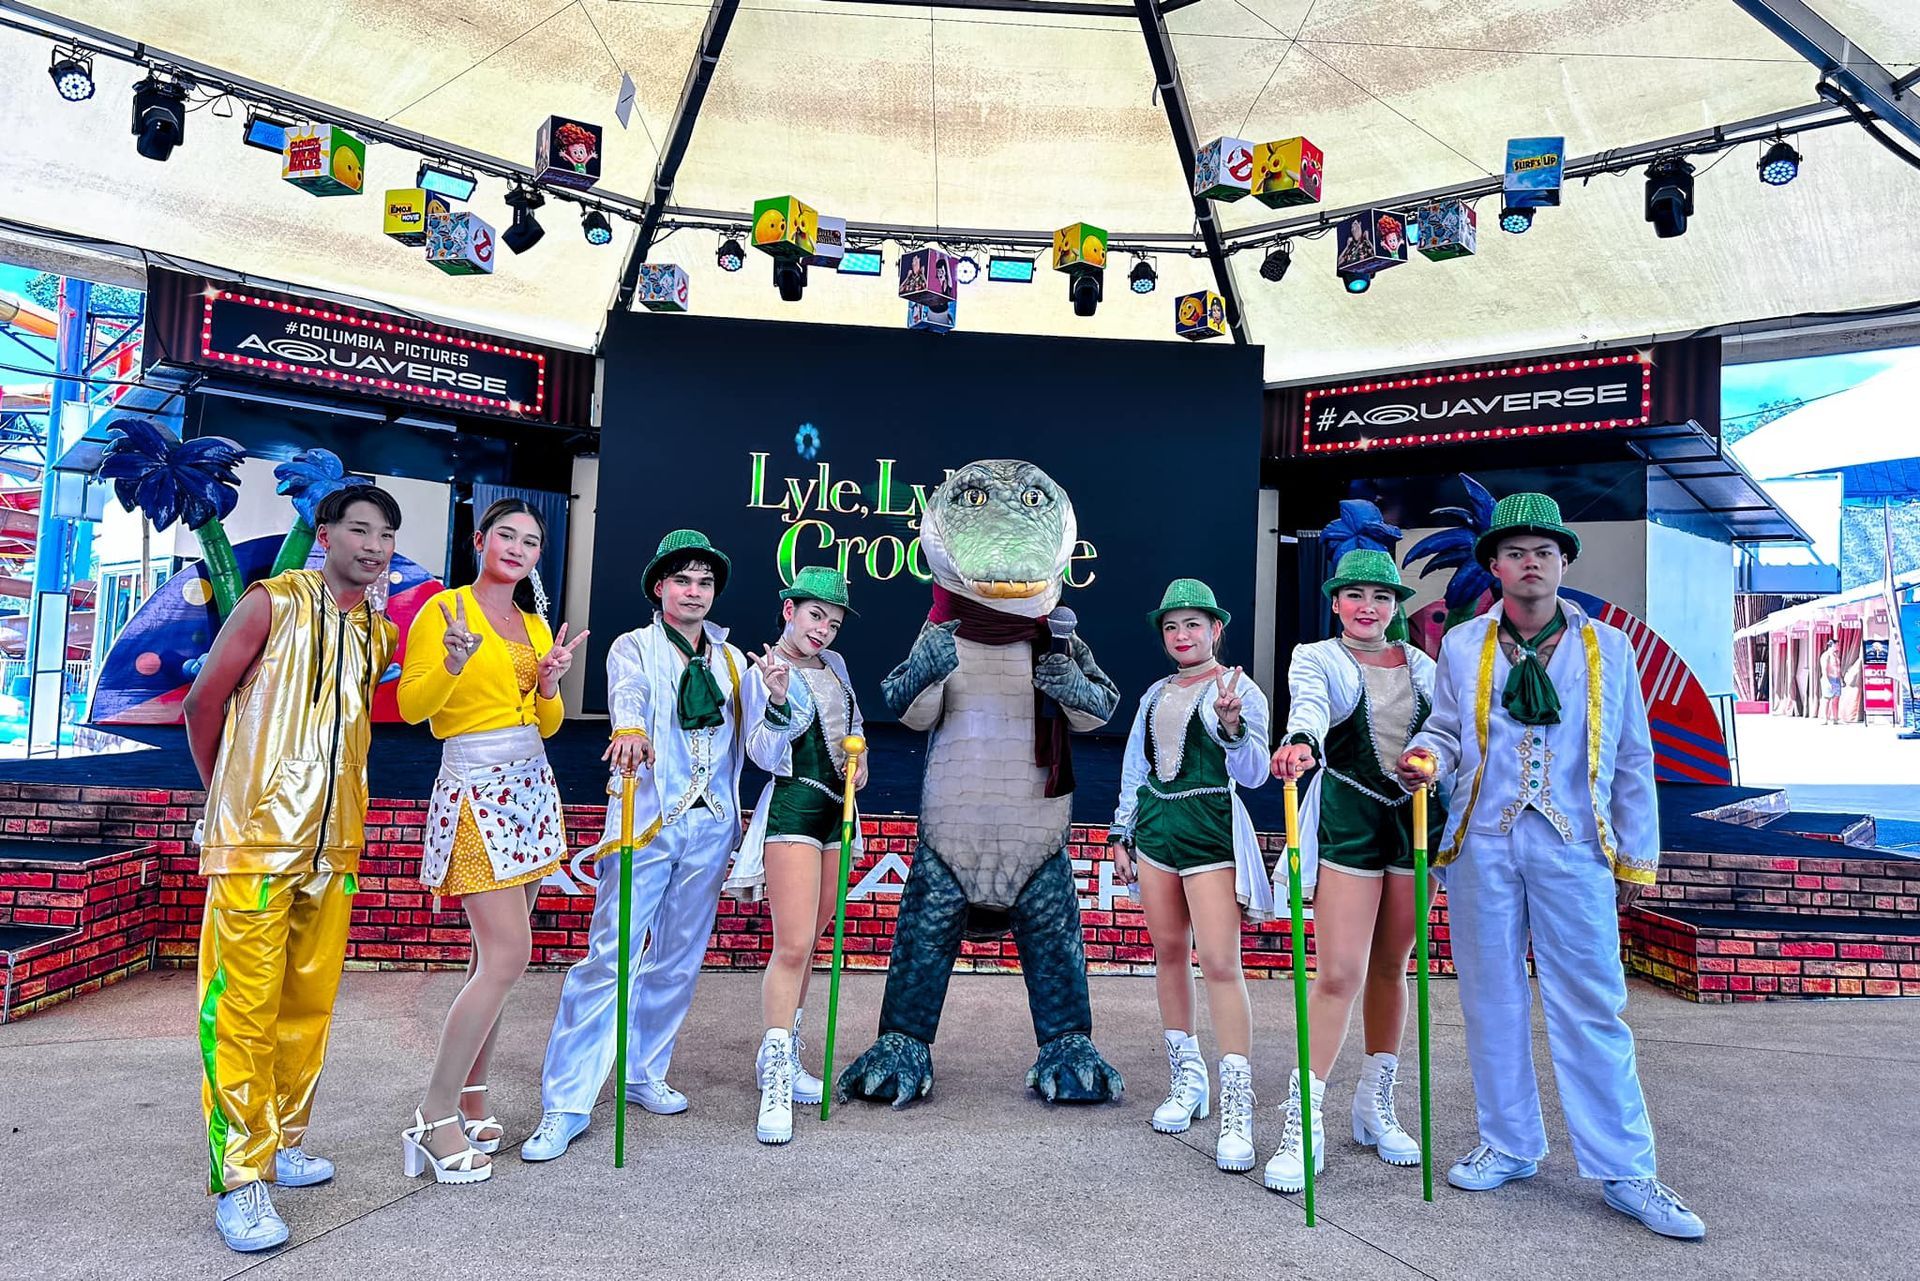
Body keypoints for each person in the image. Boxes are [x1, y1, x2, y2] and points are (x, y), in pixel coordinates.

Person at [1393, 492, 1705, 1241]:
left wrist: (1636, 858)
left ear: (1563, 561)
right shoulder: (1463, 644)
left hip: (1575, 846)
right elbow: (1445, 729)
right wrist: (1426, 756)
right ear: (1495, 566)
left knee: (1593, 1002)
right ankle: (1508, 1142)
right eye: (1515, 552)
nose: (1529, 563)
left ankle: (1625, 1167)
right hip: (1484, 843)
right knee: (1490, 998)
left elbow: (1633, 757)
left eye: (1543, 551)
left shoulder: (1609, 647)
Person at [182, 486, 402, 1252]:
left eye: (386, 535)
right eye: (360, 529)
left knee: (306, 1007)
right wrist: (230, 798)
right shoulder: (270, 603)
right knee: (242, 1010)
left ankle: (281, 1139)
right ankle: (240, 1176)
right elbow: (202, 703)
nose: (373, 546)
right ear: (326, 534)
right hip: (255, 848)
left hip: (333, 849)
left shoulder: (375, 630)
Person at [521, 530, 749, 1162]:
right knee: (610, 958)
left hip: (711, 825)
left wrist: (782, 702)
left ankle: (644, 1069)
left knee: (678, 958)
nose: (694, 592)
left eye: (705, 582)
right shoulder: (635, 646)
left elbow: (760, 737)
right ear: (660, 587)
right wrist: (627, 729)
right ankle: (566, 1102)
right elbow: (631, 693)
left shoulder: (733, 661)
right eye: (683, 580)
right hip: (646, 819)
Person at [396, 499, 588, 1184]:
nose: (517, 547)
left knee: (492, 958)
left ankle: (473, 1094)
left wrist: (549, 683)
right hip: (476, 788)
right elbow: (413, 708)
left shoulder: (534, 624)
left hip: (530, 787)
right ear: (480, 540)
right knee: (509, 955)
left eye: (530, 541)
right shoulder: (443, 610)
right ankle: (432, 1114)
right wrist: (452, 663)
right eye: (506, 534)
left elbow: (547, 722)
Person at [1264, 550, 1445, 1194]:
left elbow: (1447, 733)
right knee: (1340, 972)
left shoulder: (1424, 664)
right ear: (1336, 602)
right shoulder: (1316, 656)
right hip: (1349, 813)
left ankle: (1374, 1103)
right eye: (1356, 595)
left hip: (1415, 817)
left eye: (1381, 596)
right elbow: (1311, 707)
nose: (1369, 607)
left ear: (1395, 605)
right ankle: (1304, 1121)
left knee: (1393, 965)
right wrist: (1300, 741)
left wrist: (1431, 763)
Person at [1108, 580, 1273, 1172]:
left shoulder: (1240, 688)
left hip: (1210, 829)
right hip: (1157, 829)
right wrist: (1122, 832)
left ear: (1216, 630)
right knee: (1170, 954)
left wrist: (1232, 726)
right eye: (1172, 626)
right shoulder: (1155, 693)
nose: (1182, 635)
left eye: (1193, 625)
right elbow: (1136, 766)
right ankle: (1188, 1079)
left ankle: (1237, 1106)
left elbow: (1255, 773)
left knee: (1222, 963)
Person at [724, 566, 869, 1146]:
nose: (823, 630)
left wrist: (862, 760)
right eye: (815, 616)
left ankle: (784, 1054)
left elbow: (854, 728)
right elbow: (760, 753)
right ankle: (776, 1077)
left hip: (839, 810)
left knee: (812, 942)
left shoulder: (837, 666)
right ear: (789, 610)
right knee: (791, 944)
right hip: (792, 808)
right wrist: (779, 700)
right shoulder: (763, 670)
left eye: (833, 623)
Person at [1821, 640, 1843, 725]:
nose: (1838, 647)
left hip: (1837, 679)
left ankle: (1835, 718)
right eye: (1836, 645)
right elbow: (1824, 670)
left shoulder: (1836, 655)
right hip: (1829, 679)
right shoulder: (1826, 655)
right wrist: (1827, 682)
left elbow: (1838, 668)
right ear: (1831, 645)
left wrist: (1841, 679)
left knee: (1836, 699)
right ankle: (1825, 719)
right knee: (1827, 699)